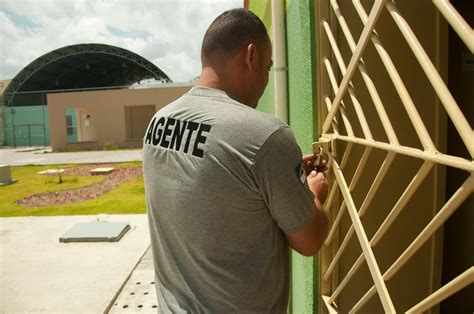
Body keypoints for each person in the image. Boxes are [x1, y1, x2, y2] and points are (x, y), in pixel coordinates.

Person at [143, 8, 329, 313]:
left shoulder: (157, 123)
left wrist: (282, 176)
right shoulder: (266, 136)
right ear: (251, 56)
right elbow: (308, 241)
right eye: (268, 67)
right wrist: (312, 192)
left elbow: (220, 191)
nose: (267, 78)